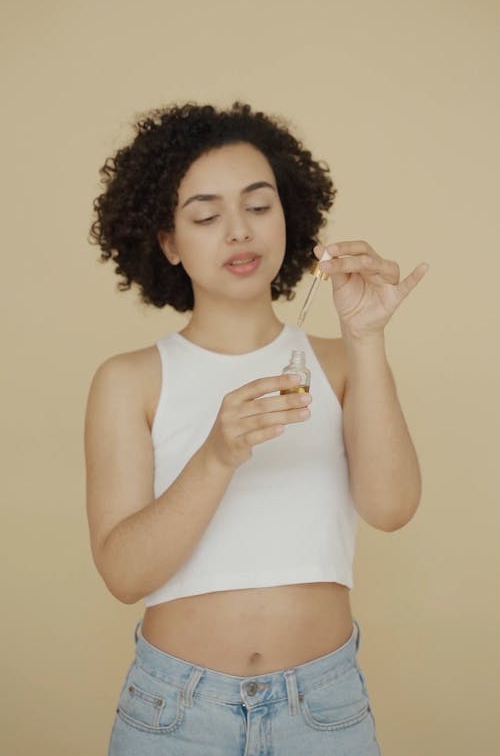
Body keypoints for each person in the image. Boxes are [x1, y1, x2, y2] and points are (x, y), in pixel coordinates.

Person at [85, 100, 428, 756]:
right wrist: (216, 455)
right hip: (174, 715)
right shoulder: (130, 380)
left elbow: (392, 507)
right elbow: (124, 573)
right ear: (167, 242)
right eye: (207, 216)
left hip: (324, 711)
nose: (239, 231)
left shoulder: (339, 360)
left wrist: (367, 338)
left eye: (259, 205)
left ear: (289, 216)